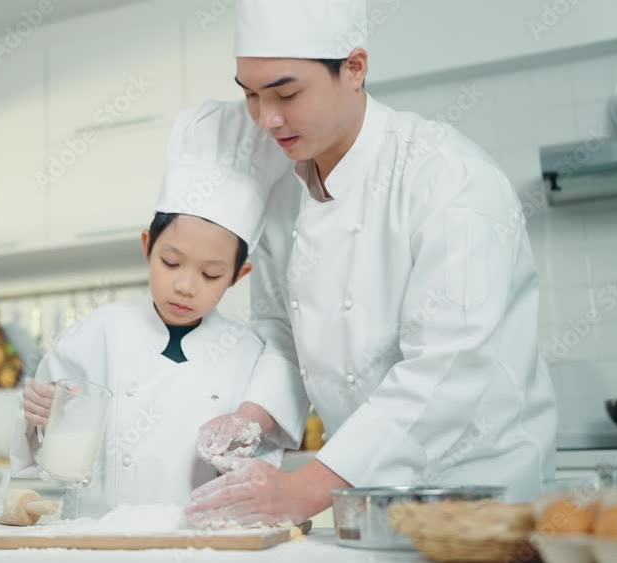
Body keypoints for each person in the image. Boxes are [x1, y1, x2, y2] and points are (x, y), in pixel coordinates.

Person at [185, 0, 558, 527]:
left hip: (479, 496)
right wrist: (253, 416)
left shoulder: (450, 178)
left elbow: (447, 367)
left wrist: (305, 489)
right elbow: (283, 336)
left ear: (354, 68)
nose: (266, 118)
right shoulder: (284, 194)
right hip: (364, 497)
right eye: (250, 95)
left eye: (286, 94)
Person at [9, 100, 288, 518]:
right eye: (171, 263)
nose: (184, 286)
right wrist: (38, 416)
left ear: (237, 276)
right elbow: (43, 453)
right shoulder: (98, 332)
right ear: (147, 247)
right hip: (96, 535)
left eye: (210, 274)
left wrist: (242, 455)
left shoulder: (248, 356)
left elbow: (258, 473)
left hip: (198, 540)